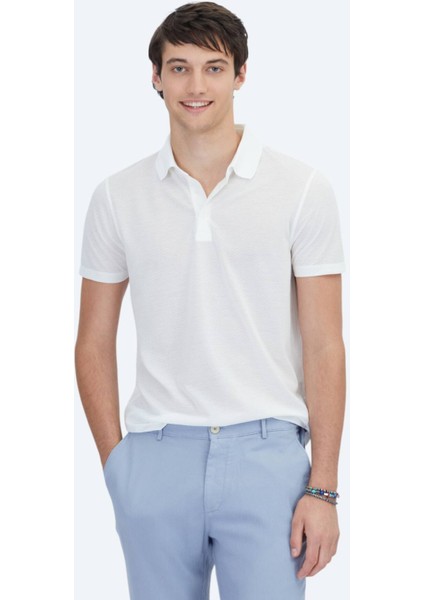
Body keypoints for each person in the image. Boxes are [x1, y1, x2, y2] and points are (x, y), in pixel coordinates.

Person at [75, 2, 346, 599]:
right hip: (156, 456)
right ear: (156, 77)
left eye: (214, 68)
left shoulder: (302, 189)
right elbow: (93, 339)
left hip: (268, 459)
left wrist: (323, 487)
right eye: (179, 68)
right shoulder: (117, 197)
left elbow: (325, 344)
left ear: (241, 75)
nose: (195, 86)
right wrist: (118, 466)